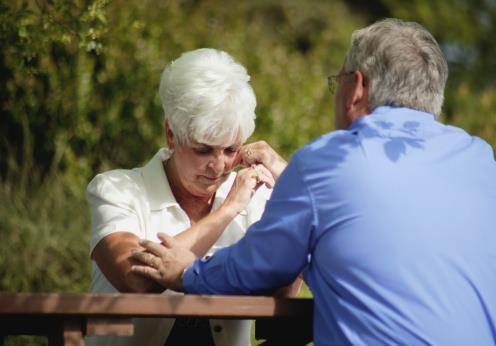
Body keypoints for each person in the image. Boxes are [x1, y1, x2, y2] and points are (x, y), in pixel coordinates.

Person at [131, 18, 496, 345]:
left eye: (336, 82)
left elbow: (258, 263)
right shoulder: (481, 162)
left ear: (355, 89)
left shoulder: (327, 162)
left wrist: (188, 273)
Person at [86, 48, 289, 346]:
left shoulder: (254, 197)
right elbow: (133, 278)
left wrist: (289, 185)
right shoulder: (116, 189)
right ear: (171, 133)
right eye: (204, 150)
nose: (219, 166)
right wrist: (227, 211)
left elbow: (283, 293)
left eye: (231, 150)